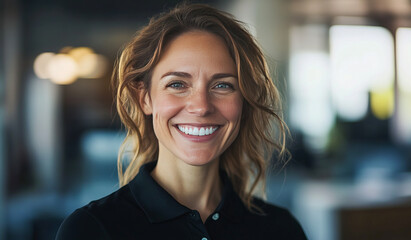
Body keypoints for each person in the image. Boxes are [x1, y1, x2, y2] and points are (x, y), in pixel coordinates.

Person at [56, 3, 307, 240]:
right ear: (144, 98)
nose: (201, 106)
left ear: (244, 101)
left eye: (222, 85)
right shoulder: (91, 230)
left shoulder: (281, 229)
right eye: (177, 84)